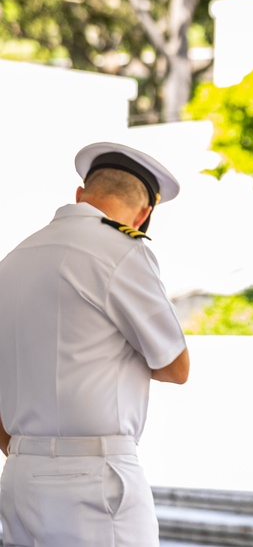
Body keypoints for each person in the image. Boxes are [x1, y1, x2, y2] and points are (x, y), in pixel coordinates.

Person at [0, 141, 190, 546]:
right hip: (95, 479)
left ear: (79, 195)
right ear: (144, 214)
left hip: (18, 477)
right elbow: (176, 368)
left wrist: (26, 452)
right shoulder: (122, 249)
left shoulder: (12, 261)